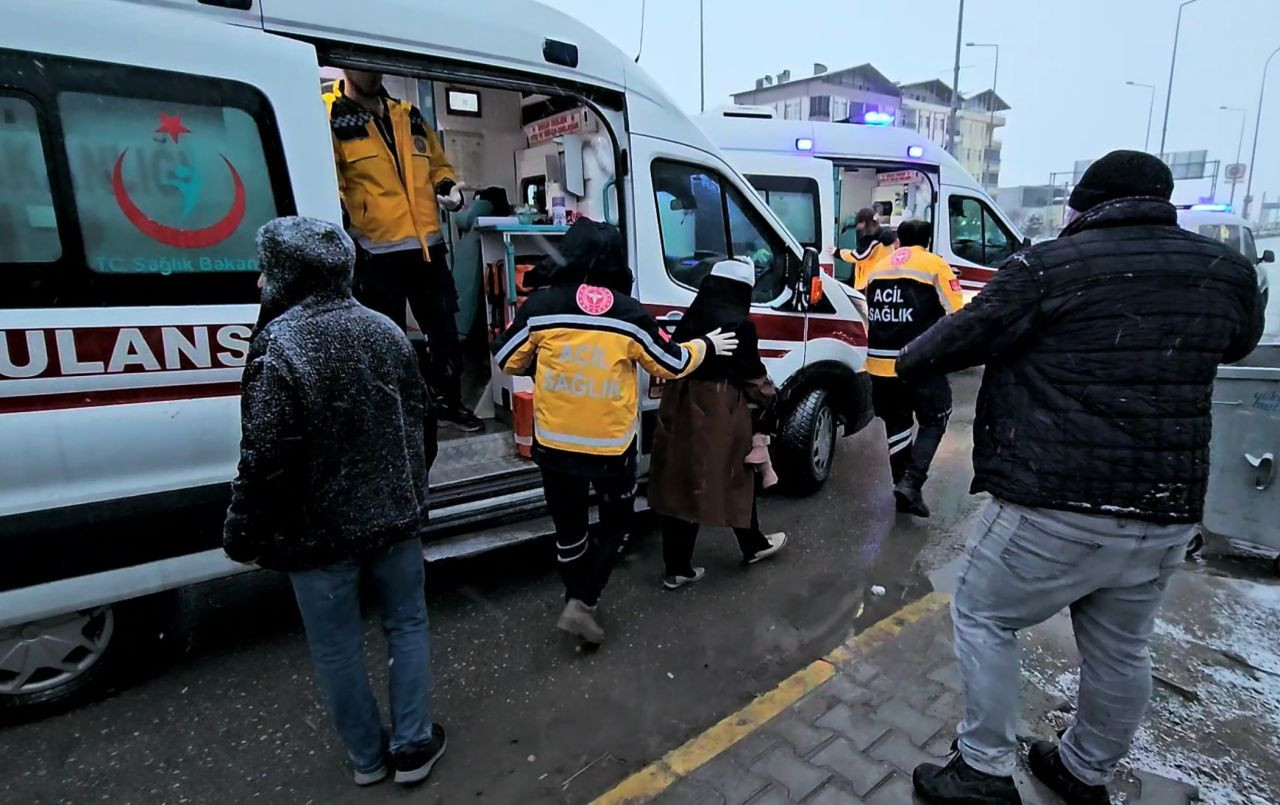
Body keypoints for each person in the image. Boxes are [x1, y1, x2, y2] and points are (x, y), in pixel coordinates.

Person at [900, 150, 1264, 805]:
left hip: (1056, 499)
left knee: (983, 612)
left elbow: (935, 350)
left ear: (1082, 205)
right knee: (1123, 646)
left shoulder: (1048, 267)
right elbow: (1237, 343)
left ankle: (981, 768)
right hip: (1166, 509)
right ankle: (1084, 769)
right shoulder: (1225, 271)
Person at [223, 217, 445, 788]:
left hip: (316, 534)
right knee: (407, 623)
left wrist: (243, 530)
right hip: (394, 519)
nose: (259, 282)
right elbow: (424, 421)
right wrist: (411, 488)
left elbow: (264, 454)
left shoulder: (280, 343)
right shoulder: (385, 330)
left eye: (266, 269)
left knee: (337, 647)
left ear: (288, 275)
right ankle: (414, 745)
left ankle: (368, 759)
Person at [492, 219, 736, 644]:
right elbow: (671, 363)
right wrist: (708, 346)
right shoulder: (628, 311)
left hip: (554, 446)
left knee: (569, 529)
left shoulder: (541, 306)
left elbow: (507, 360)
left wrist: (544, 365)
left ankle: (575, 597)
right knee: (617, 524)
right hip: (610, 449)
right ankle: (583, 602)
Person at [324, 70, 482, 432]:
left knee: (445, 330)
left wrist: (448, 190)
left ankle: (449, 401)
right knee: (385, 339)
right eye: (362, 65)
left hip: (427, 245)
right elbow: (327, 177)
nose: (371, 72)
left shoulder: (408, 114)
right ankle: (394, 415)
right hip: (374, 251)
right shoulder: (330, 113)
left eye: (376, 65)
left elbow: (438, 165)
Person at [649, 258, 787, 589]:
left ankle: (677, 567)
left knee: (680, 483)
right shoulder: (740, 324)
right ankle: (753, 545)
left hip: (679, 405)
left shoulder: (691, 317)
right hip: (717, 410)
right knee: (737, 477)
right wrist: (773, 400)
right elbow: (753, 376)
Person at [860, 219, 963, 517]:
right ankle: (912, 482)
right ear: (928, 240)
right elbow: (958, 314)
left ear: (899, 241)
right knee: (934, 419)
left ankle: (903, 487)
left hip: (879, 364)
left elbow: (874, 311)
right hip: (919, 361)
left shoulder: (878, 268)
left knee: (897, 424)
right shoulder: (934, 264)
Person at [838, 207, 896, 288]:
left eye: (858, 222)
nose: (857, 226)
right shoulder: (885, 237)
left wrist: (838, 253)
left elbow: (858, 256)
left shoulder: (871, 239)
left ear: (863, 223)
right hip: (885, 282)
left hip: (869, 283)